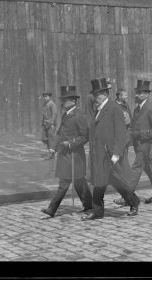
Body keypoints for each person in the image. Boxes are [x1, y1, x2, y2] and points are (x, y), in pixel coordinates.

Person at [83, 77, 140, 220]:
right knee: (99, 182)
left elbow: (121, 133)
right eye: (94, 95)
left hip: (109, 154)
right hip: (99, 154)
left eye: (98, 94)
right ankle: (98, 211)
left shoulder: (114, 108)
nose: (96, 97)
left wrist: (116, 154)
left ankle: (133, 201)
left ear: (105, 94)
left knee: (117, 182)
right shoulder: (98, 109)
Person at [41, 86, 93, 218]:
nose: (63, 103)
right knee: (79, 183)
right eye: (63, 100)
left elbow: (85, 136)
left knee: (65, 184)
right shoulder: (66, 114)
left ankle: (52, 209)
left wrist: (70, 143)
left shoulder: (79, 116)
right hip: (65, 156)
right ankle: (89, 205)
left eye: (66, 100)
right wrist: (52, 148)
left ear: (74, 101)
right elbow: (60, 133)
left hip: (74, 156)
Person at [127, 79, 152, 204]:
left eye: (140, 93)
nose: (136, 95)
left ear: (147, 94)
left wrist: (140, 134)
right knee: (149, 169)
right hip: (138, 144)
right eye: (137, 92)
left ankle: (127, 195)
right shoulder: (137, 108)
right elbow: (133, 126)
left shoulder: (151, 108)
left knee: (136, 168)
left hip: (146, 145)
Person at [41, 91, 58, 158]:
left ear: (49, 97)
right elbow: (44, 115)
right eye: (44, 97)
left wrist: (52, 123)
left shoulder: (52, 104)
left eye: (46, 96)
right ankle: (53, 151)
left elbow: (54, 114)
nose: (45, 98)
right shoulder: (45, 104)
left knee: (51, 139)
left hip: (50, 124)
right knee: (44, 139)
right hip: (45, 124)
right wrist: (42, 123)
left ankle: (52, 153)